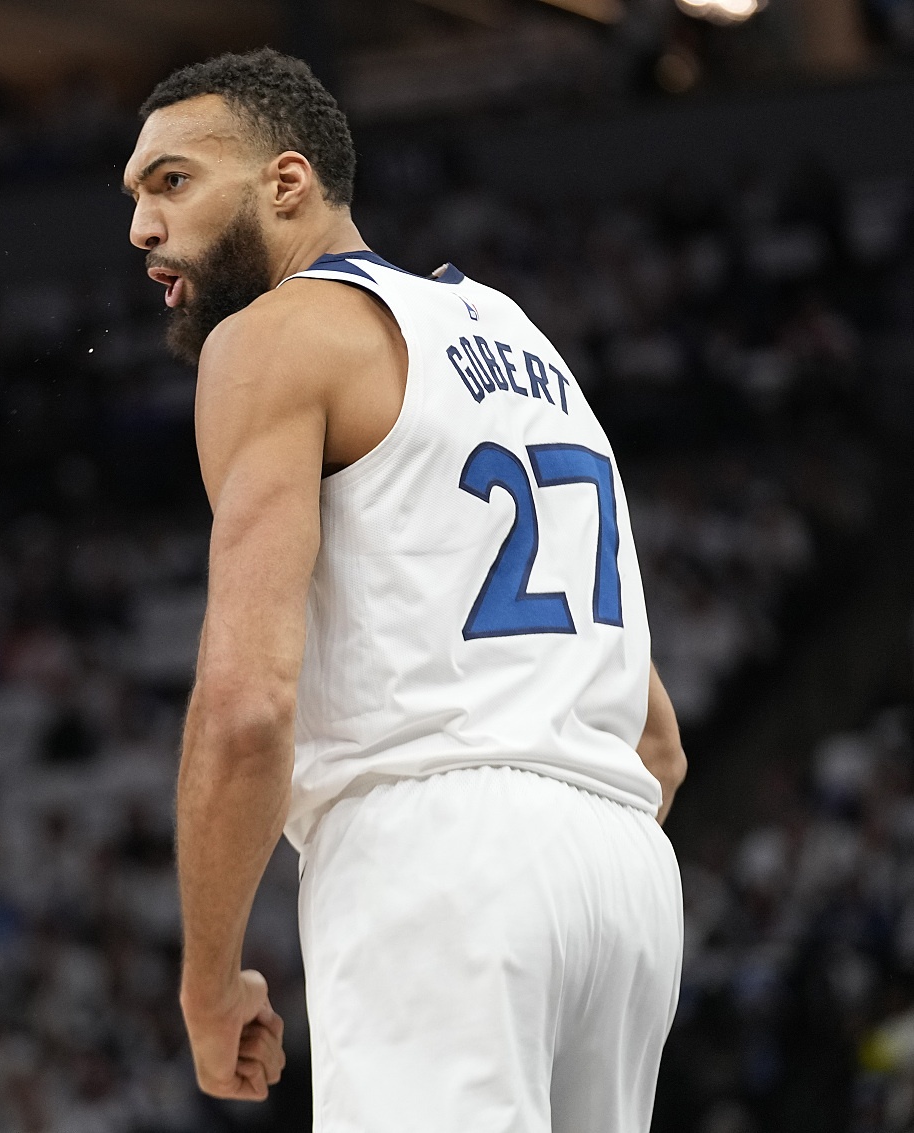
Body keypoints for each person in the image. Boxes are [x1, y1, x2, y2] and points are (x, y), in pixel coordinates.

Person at [121, 49, 687, 1132]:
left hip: (437, 855)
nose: (143, 227)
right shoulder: (521, 342)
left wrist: (208, 982)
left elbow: (246, 707)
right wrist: (553, 858)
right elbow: (656, 743)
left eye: (173, 182)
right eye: (136, 197)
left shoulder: (271, 337)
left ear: (286, 182)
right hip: (624, 870)